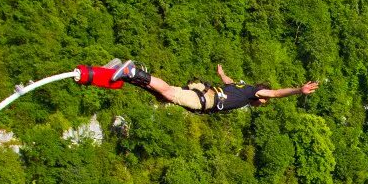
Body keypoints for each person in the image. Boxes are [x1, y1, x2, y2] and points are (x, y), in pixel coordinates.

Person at [108, 60, 320, 113]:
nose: (262, 102)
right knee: (169, 93)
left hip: (207, 91)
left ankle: (126, 76)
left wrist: (221, 74)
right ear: (260, 94)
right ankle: (133, 72)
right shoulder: (253, 92)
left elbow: (228, 82)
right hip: (208, 99)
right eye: (263, 101)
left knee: (163, 96)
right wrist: (297, 90)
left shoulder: (242, 87)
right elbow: (274, 93)